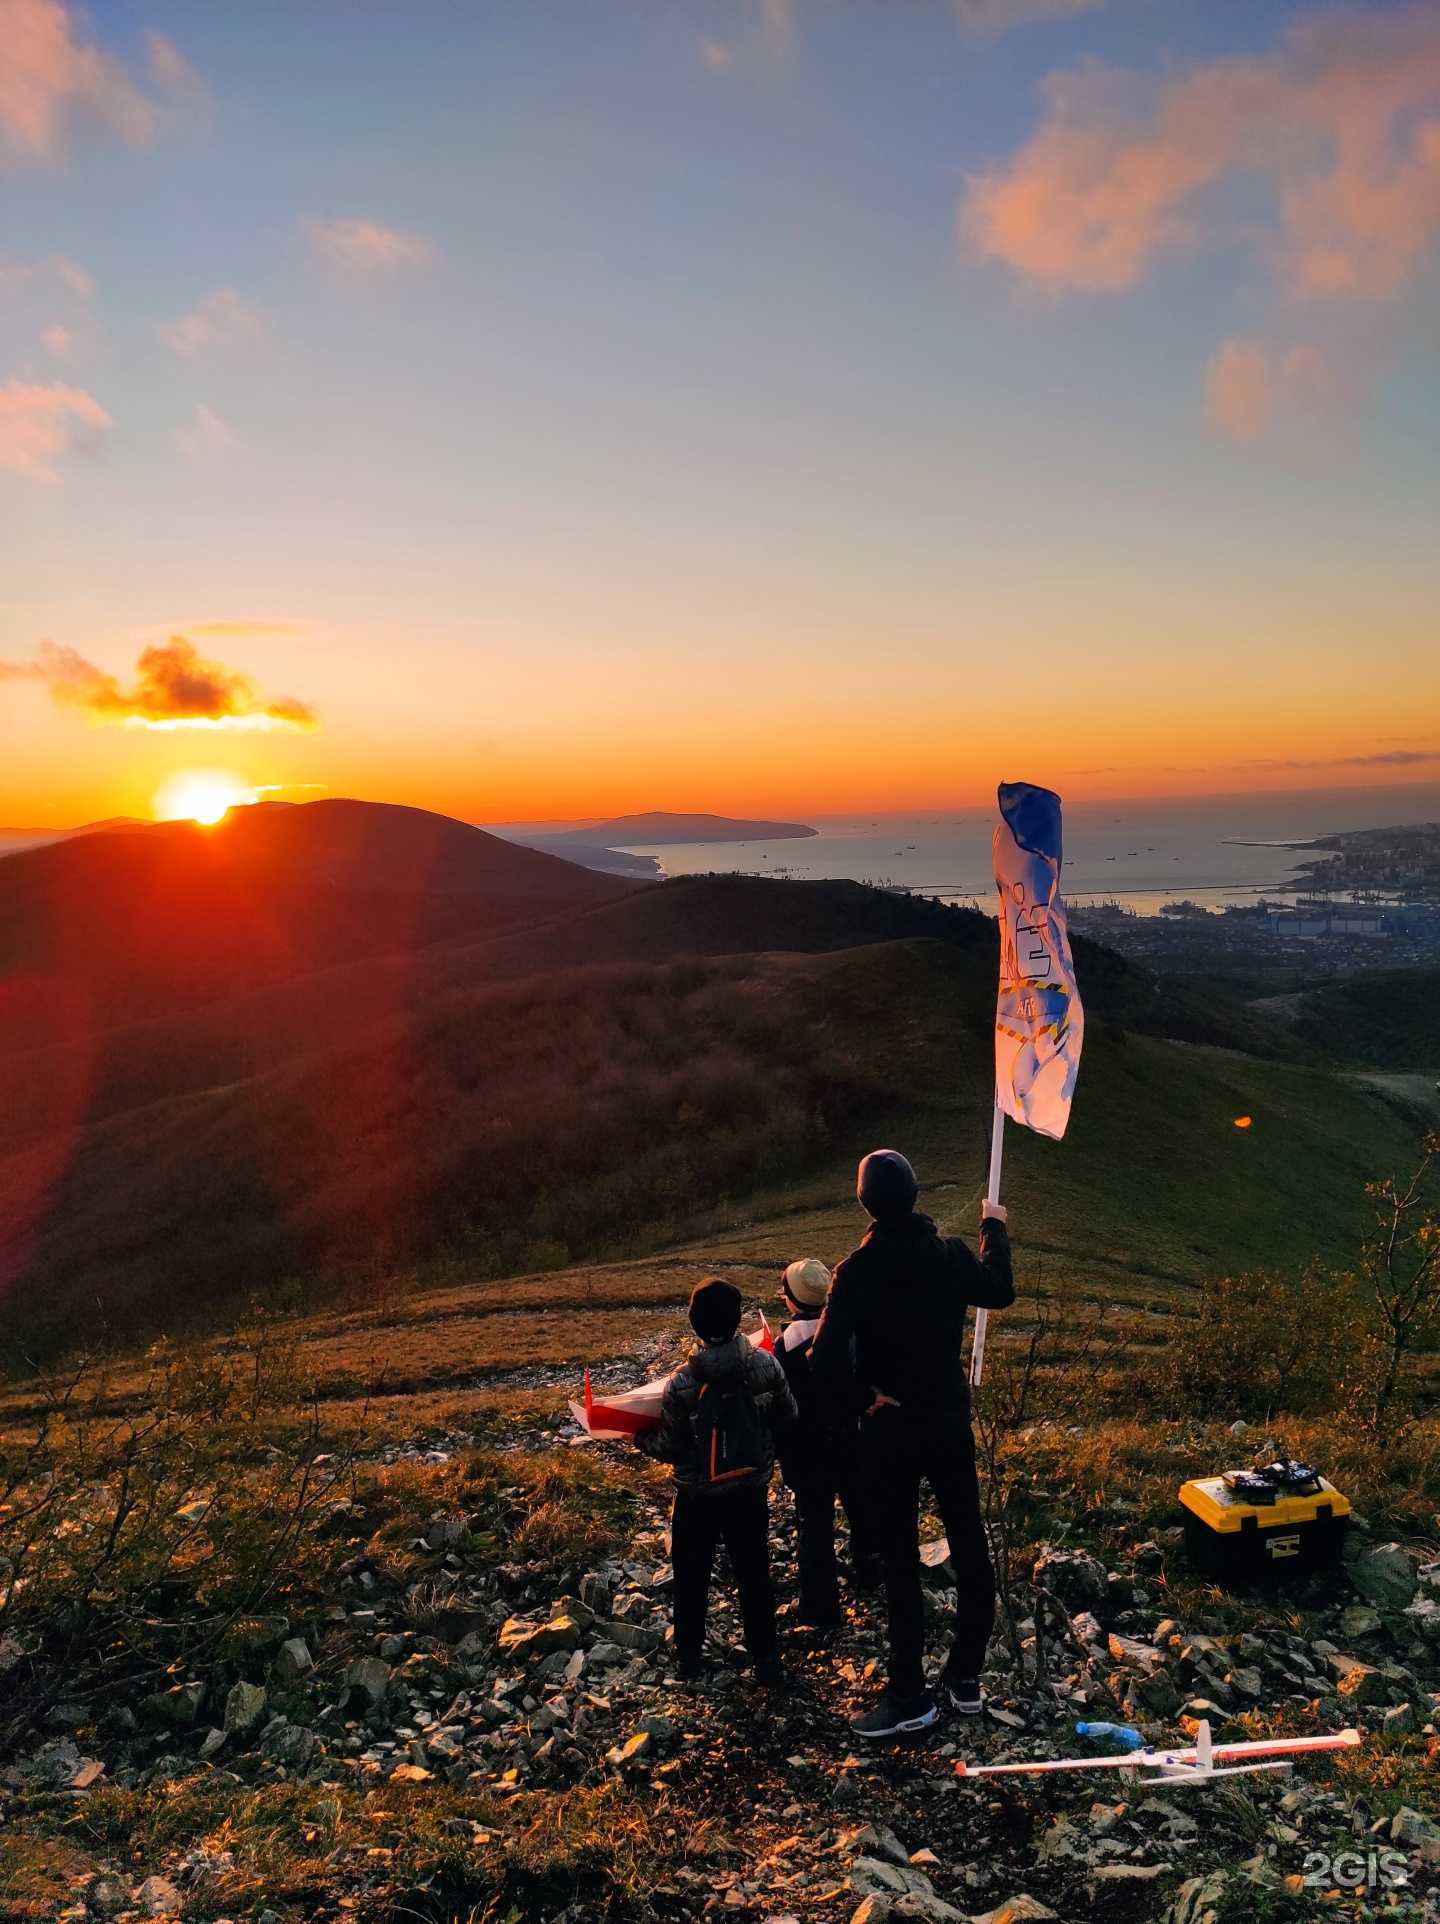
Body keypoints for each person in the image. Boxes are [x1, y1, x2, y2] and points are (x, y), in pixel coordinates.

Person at [811, 1148, 1014, 1738]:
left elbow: (824, 1363)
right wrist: (993, 1227)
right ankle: (966, 1676)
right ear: (916, 1194)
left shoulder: (857, 1271)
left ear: (864, 1203)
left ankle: (908, 1693)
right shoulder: (948, 1255)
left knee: (900, 1558)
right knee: (969, 1541)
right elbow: (999, 1290)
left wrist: (859, 1398)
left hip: (891, 1434)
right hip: (947, 1422)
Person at [635, 1276, 798, 1686]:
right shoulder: (766, 1364)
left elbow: (669, 1447)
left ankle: (689, 1660)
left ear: (694, 1325)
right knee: (755, 1574)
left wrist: (638, 1438)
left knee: (691, 1576)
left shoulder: (682, 1384)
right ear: (738, 1317)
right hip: (750, 1488)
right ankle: (766, 1661)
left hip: (697, 1495)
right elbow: (787, 1416)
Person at [774, 1257, 882, 1629]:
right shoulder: (847, 1330)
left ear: (791, 1300)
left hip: (807, 1447)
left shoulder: (784, 1346)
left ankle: (820, 1606)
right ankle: (871, 1570)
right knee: (861, 1506)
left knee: (814, 1522)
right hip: (849, 1436)